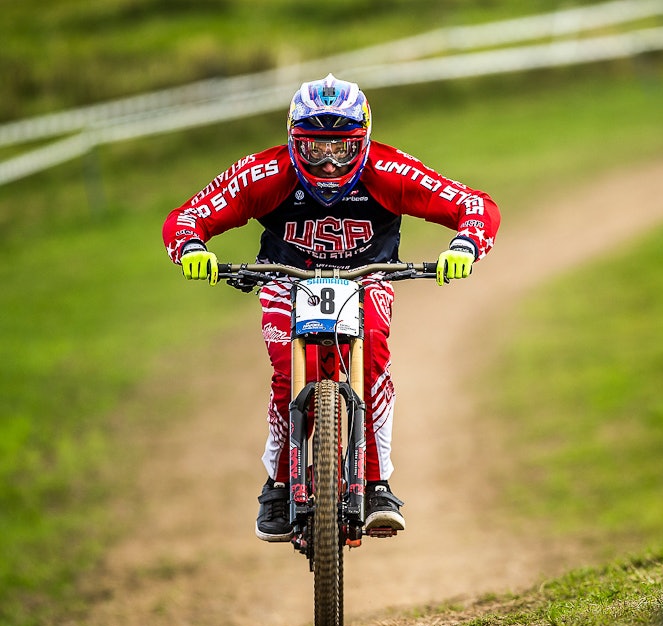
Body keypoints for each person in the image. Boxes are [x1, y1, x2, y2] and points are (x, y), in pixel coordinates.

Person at [162, 74, 501, 542]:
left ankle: (378, 483)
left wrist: (465, 246)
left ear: (362, 139)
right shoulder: (264, 173)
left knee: (373, 363)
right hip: (285, 277)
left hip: (365, 277)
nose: (326, 162)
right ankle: (278, 485)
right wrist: (192, 249)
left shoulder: (388, 169)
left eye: (340, 149)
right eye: (313, 148)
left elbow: (473, 204)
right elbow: (188, 215)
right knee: (287, 370)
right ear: (291, 141)